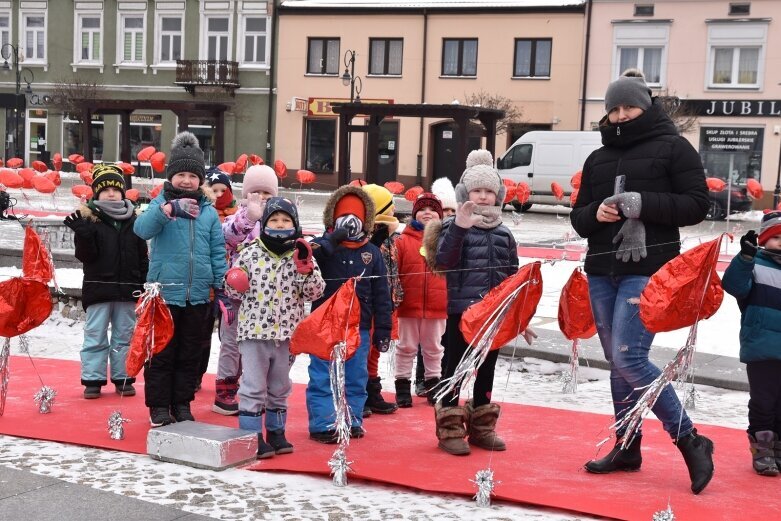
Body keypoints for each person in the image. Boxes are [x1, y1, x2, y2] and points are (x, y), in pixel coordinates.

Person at [570, 69, 714, 494]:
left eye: (629, 106)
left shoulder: (674, 147)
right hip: (601, 270)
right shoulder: (597, 157)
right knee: (618, 361)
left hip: (649, 269)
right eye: (613, 108)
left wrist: (642, 204)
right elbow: (579, 217)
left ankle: (690, 438)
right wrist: (595, 213)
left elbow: (696, 205)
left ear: (646, 106)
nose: (620, 115)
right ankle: (627, 444)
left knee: (629, 357)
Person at [425, 149, 518, 456]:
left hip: (493, 318)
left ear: (498, 196)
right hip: (462, 314)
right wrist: (460, 228)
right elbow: (444, 262)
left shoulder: (504, 233)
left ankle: (482, 425)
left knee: (487, 369)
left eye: (488, 192)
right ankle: (450, 424)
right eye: (476, 191)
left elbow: (512, 276)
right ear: (465, 193)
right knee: (456, 368)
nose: (482, 197)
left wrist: (517, 313)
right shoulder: (455, 226)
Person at [134, 131, 228, 427]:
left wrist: (220, 283)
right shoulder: (159, 203)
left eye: (192, 175)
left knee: (190, 354)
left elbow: (216, 251)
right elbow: (141, 230)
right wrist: (165, 211)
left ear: (201, 180)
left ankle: (182, 403)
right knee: (161, 353)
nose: (186, 181)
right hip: (165, 295)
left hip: (198, 295)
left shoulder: (209, 213)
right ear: (171, 176)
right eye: (181, 174)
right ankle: (159, 406)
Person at [224, 197, 324, 458]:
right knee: (254, 385)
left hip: (287, 334)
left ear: (295, 224)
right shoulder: (249, 253)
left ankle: (276, 433)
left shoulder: (301, 253)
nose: (280, 225)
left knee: (280, 387)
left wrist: (306, 268)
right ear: (265, 223)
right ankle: (250, 434)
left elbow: (314, 292)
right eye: (274, 220)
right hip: (254, 333)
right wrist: (235, 282)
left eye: (286, 220)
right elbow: (231, 291)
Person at [306, 185, 393, 443]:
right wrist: (331, 240)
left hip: (360, 327)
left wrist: (384, 330)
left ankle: (352, 419)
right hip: (325, 326)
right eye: (344, 216)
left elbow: (382, 295)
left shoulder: (372, 253)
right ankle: (322, 423)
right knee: (322, 376)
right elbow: (308, 254)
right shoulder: (324, 247)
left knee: (356, 377)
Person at [63, 164, 148, 399]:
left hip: (127, 290)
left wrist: (143, 281)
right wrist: (84, 235)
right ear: (96, 193)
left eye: (115, 189)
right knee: (95, 334)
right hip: (99, 289)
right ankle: (93, 379)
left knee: (124, 336)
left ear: (123, 192)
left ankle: (123, 378)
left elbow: (142, 255)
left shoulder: (134, 220)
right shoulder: (89, 220)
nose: (111, 193)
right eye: (105, 189)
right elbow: (86, 257)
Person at [213, 164, 279, 415]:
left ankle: (255, 389)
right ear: (245, 195)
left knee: (258, 345)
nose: (261, 198)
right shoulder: (237, 218)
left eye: (267, 193)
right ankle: (225, 387)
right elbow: (228, 237)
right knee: (231, 342)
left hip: (265, 297)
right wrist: (249, 216)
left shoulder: (278, 220)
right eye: (256, 192)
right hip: (235, 294)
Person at [723, 212, 781, 476]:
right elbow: (734, 285)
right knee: (763, 402)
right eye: (776, 237)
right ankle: (763, 450)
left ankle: (778, 449)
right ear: (765, 239)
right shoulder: (754, 264)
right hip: (762, 346)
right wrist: (745, 257)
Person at [394, 192, 447, 407]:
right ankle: (402, 384)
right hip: (409, 305)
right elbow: (394, 271)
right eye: (422, 209)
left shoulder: (446, 242)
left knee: (433, 347)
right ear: (414, 213)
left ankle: (433, 384)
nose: (427, 213)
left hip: (437, 305)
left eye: (433, 209)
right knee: (406, 346)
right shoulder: (403, 241)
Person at [194, 166, 238, 392]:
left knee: (230, 334)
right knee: (201, 334)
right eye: (214, 190)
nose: (219, 195)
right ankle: (195, 374)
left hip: (232, 287)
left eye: (224, 190)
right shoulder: (201, 212)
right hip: (205, 283)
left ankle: (231, 375)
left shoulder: (239, 216)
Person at [361, 183, 402, 415]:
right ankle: (363, 391)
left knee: (378, 347)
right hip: (371, 302)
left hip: (388, 301)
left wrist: (398, 294)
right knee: (366, 348)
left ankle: (372, 388)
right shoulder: (368, 239)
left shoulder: (391, 237)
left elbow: (396, 268)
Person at [414, 178, 458, 396]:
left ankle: (442, 378)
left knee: (445, 342)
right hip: (427, 299)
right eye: (446, 209)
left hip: (449, 296)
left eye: (452, 209)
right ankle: (422, 378)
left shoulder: (457, 233)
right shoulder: (428, 234)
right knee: (427, 342)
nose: (449, 213)